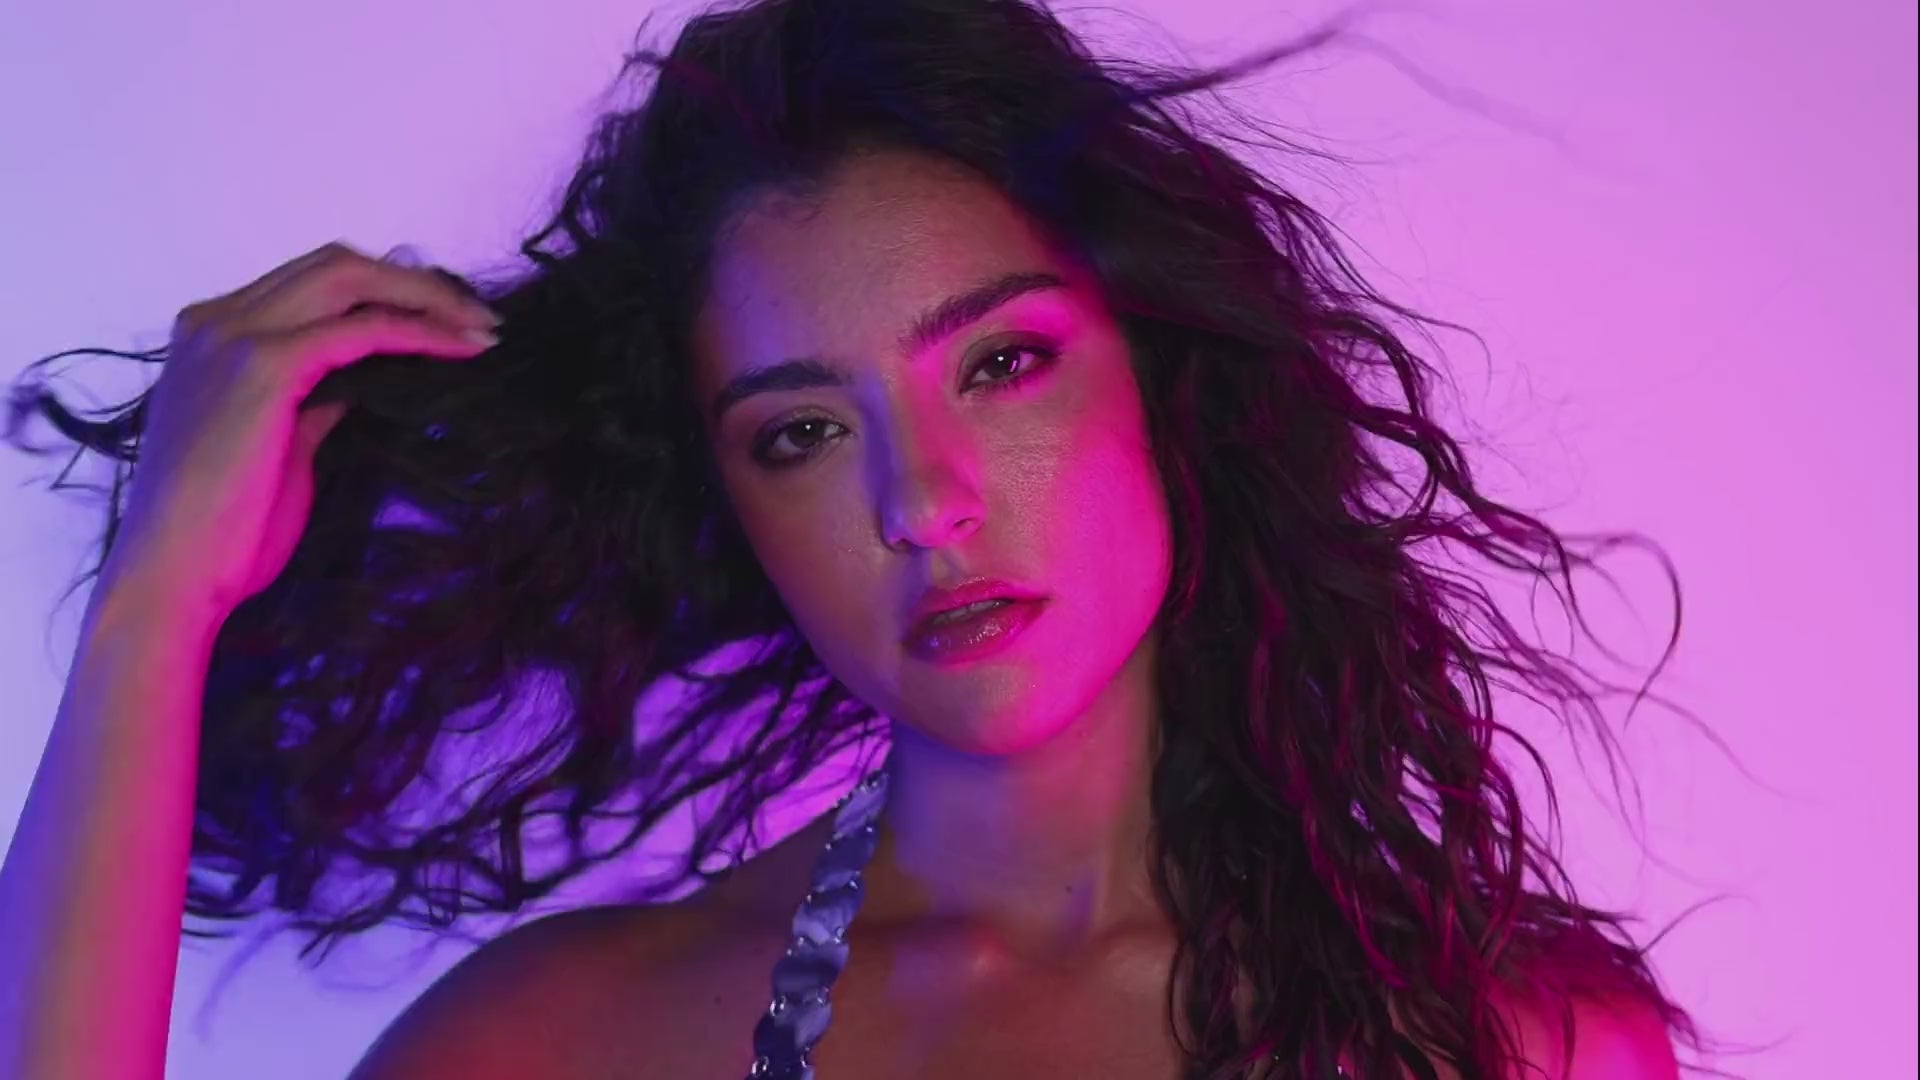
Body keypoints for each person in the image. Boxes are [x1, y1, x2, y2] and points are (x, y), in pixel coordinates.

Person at [0, 0, 1707, 1076]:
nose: (922, 500)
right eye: (802, 433)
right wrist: (155, 609)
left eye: (1001, 363)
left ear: (1163, 379)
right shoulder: (570, 1041)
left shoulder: (1522, 1039)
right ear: (735, 508)